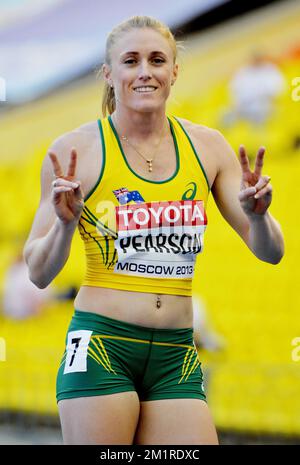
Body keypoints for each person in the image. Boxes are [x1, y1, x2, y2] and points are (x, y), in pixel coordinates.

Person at [23, 16, 284, 445]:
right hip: (103, 346)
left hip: (175, 352)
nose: (145, 71)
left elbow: (272, 252)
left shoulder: (208, 146)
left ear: (174, 71)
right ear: (110, 73)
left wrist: (258, 217)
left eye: (157, 59)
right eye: (131, 60)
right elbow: (38, 272)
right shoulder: (74, 151)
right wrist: (65, 227)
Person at [222, 51, 285, 127]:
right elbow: (233, 88)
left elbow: (277, 88)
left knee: (261, 116)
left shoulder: (270, 70)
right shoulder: (243, 72)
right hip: (242, 106)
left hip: (263, 106)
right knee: (225, 115)